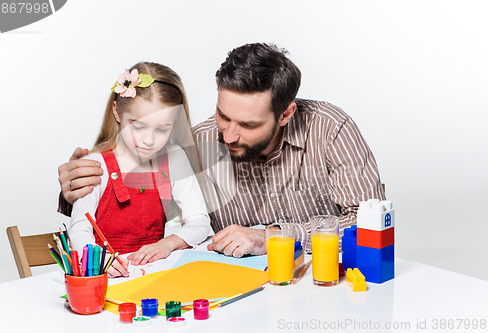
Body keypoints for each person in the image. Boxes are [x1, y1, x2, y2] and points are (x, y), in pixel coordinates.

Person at [58, 43, 384, 258]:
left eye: (249, 125)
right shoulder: (195, 143)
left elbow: (371, 225)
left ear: (285, 114)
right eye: (223, 116)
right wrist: (73, 189)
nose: (228, 134)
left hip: (322, 284)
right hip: (230, 295)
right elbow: (140, 204)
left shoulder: (329, 129)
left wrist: (272, 237)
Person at [67, 62, 210, 277]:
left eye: (162, 129)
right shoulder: (96, 164)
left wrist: (167, 244)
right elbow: (79, 228)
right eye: (138, 126)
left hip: (152, 275)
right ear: (117, 112)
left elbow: (200, 221)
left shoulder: (174, 158)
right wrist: (98, 257)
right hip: (103, 276)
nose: (149, 140)